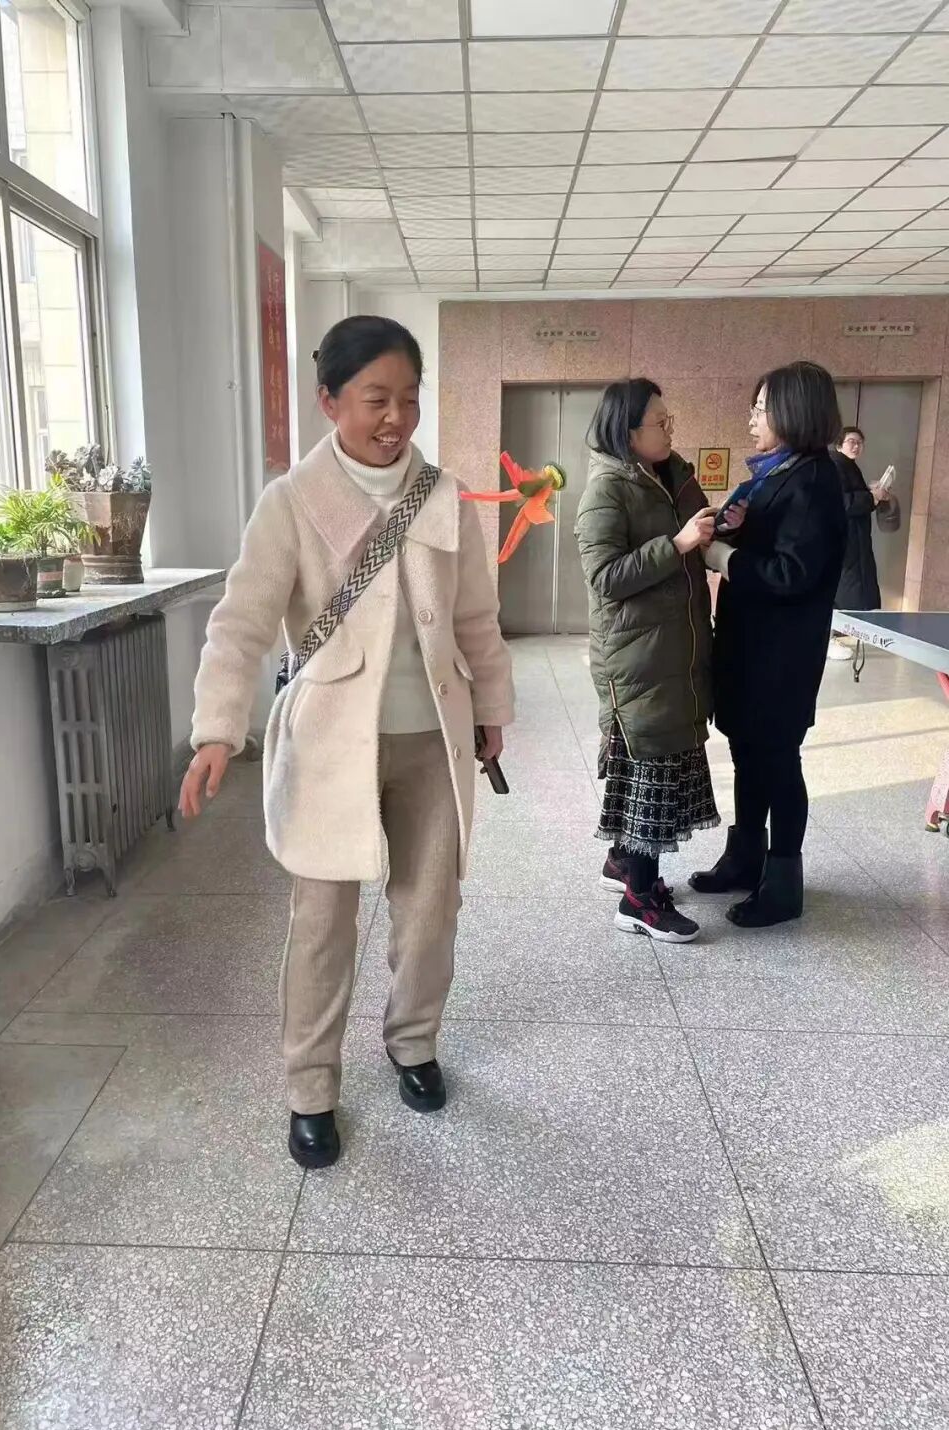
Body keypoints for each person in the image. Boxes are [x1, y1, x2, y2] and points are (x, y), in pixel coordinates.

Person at [179, 316, 514, 1171]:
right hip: (330, 747)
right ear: (329, 401)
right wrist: (217, 729)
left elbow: (476, 617)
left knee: (431, 910)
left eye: (409, 398)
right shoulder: (290, 502)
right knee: (322, 924)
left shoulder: (443, 495)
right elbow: (241, 625)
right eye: (375, 399)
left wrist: (493, 708)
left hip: (431, 739)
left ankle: (413, 1042)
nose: (395, 417)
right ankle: (309, 1087)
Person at [576, 378, 737, 944]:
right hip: (637, 659)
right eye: (659, 423)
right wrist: (677, 544)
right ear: (627, 433)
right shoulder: (606, 490)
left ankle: (623, 863)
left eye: (671, 421)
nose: (669, 430)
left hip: (676, 649)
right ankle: (638, 900)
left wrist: (718, 531)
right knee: (651, 775)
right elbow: (605, 577)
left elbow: (697, 541)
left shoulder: (677, 476)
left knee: (660, 770)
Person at [698, 361, 846, 928]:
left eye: (761, 409)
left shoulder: (814, 480)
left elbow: (791, 573)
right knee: (747, 753)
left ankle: (783, 883)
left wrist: (725, 557)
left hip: (781, 657)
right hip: (751, 646)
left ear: (794, 411)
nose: (752, 418)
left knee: (778, 761)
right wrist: (737, 528)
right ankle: (745, 858)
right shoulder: (776, 473)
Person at [827, 426, 889, 660]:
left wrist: (873, 494)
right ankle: (828, 640)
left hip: (855, 542)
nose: (856, 446)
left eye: (860, 442)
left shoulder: (848, 466)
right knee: (843, 591)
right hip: (845, 542)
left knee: (851, 589)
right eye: (851, 441)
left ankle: (833, 638)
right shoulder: (836, 464)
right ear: (839, 444)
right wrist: (871, 497)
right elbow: (840, 503)